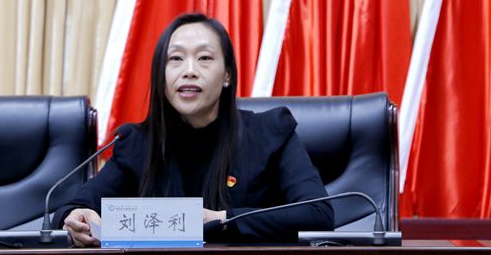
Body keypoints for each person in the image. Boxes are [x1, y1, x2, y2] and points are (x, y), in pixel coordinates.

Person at [53, 13, 334, 245]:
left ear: (227, 74)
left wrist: (221, 219)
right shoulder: (138, 143)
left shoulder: (269, 133)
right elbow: (70, 210)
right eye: (175, 59)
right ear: (161, 75)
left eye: (204, 58)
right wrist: (77, 217)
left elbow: (318, 214)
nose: (189, 70)